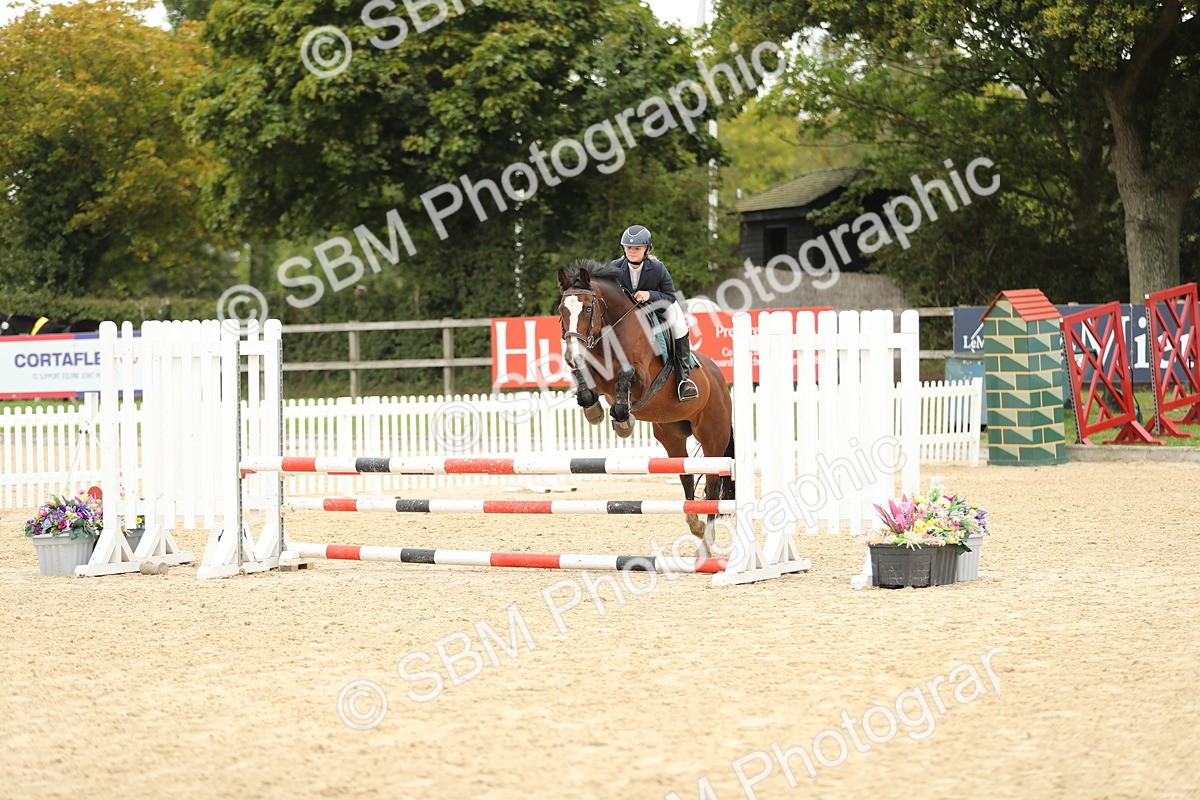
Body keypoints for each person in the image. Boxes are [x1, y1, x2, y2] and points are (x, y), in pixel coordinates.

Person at [607, 225, 699, 401]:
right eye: (628, 247)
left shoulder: (657, 268)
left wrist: (649, 294)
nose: (632, 251)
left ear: (647, 249)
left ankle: (683, 380)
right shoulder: (614, 267)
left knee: (679, 326)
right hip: (627, 312)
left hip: (658, 305)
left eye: (637, 248)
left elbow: (670, 295)